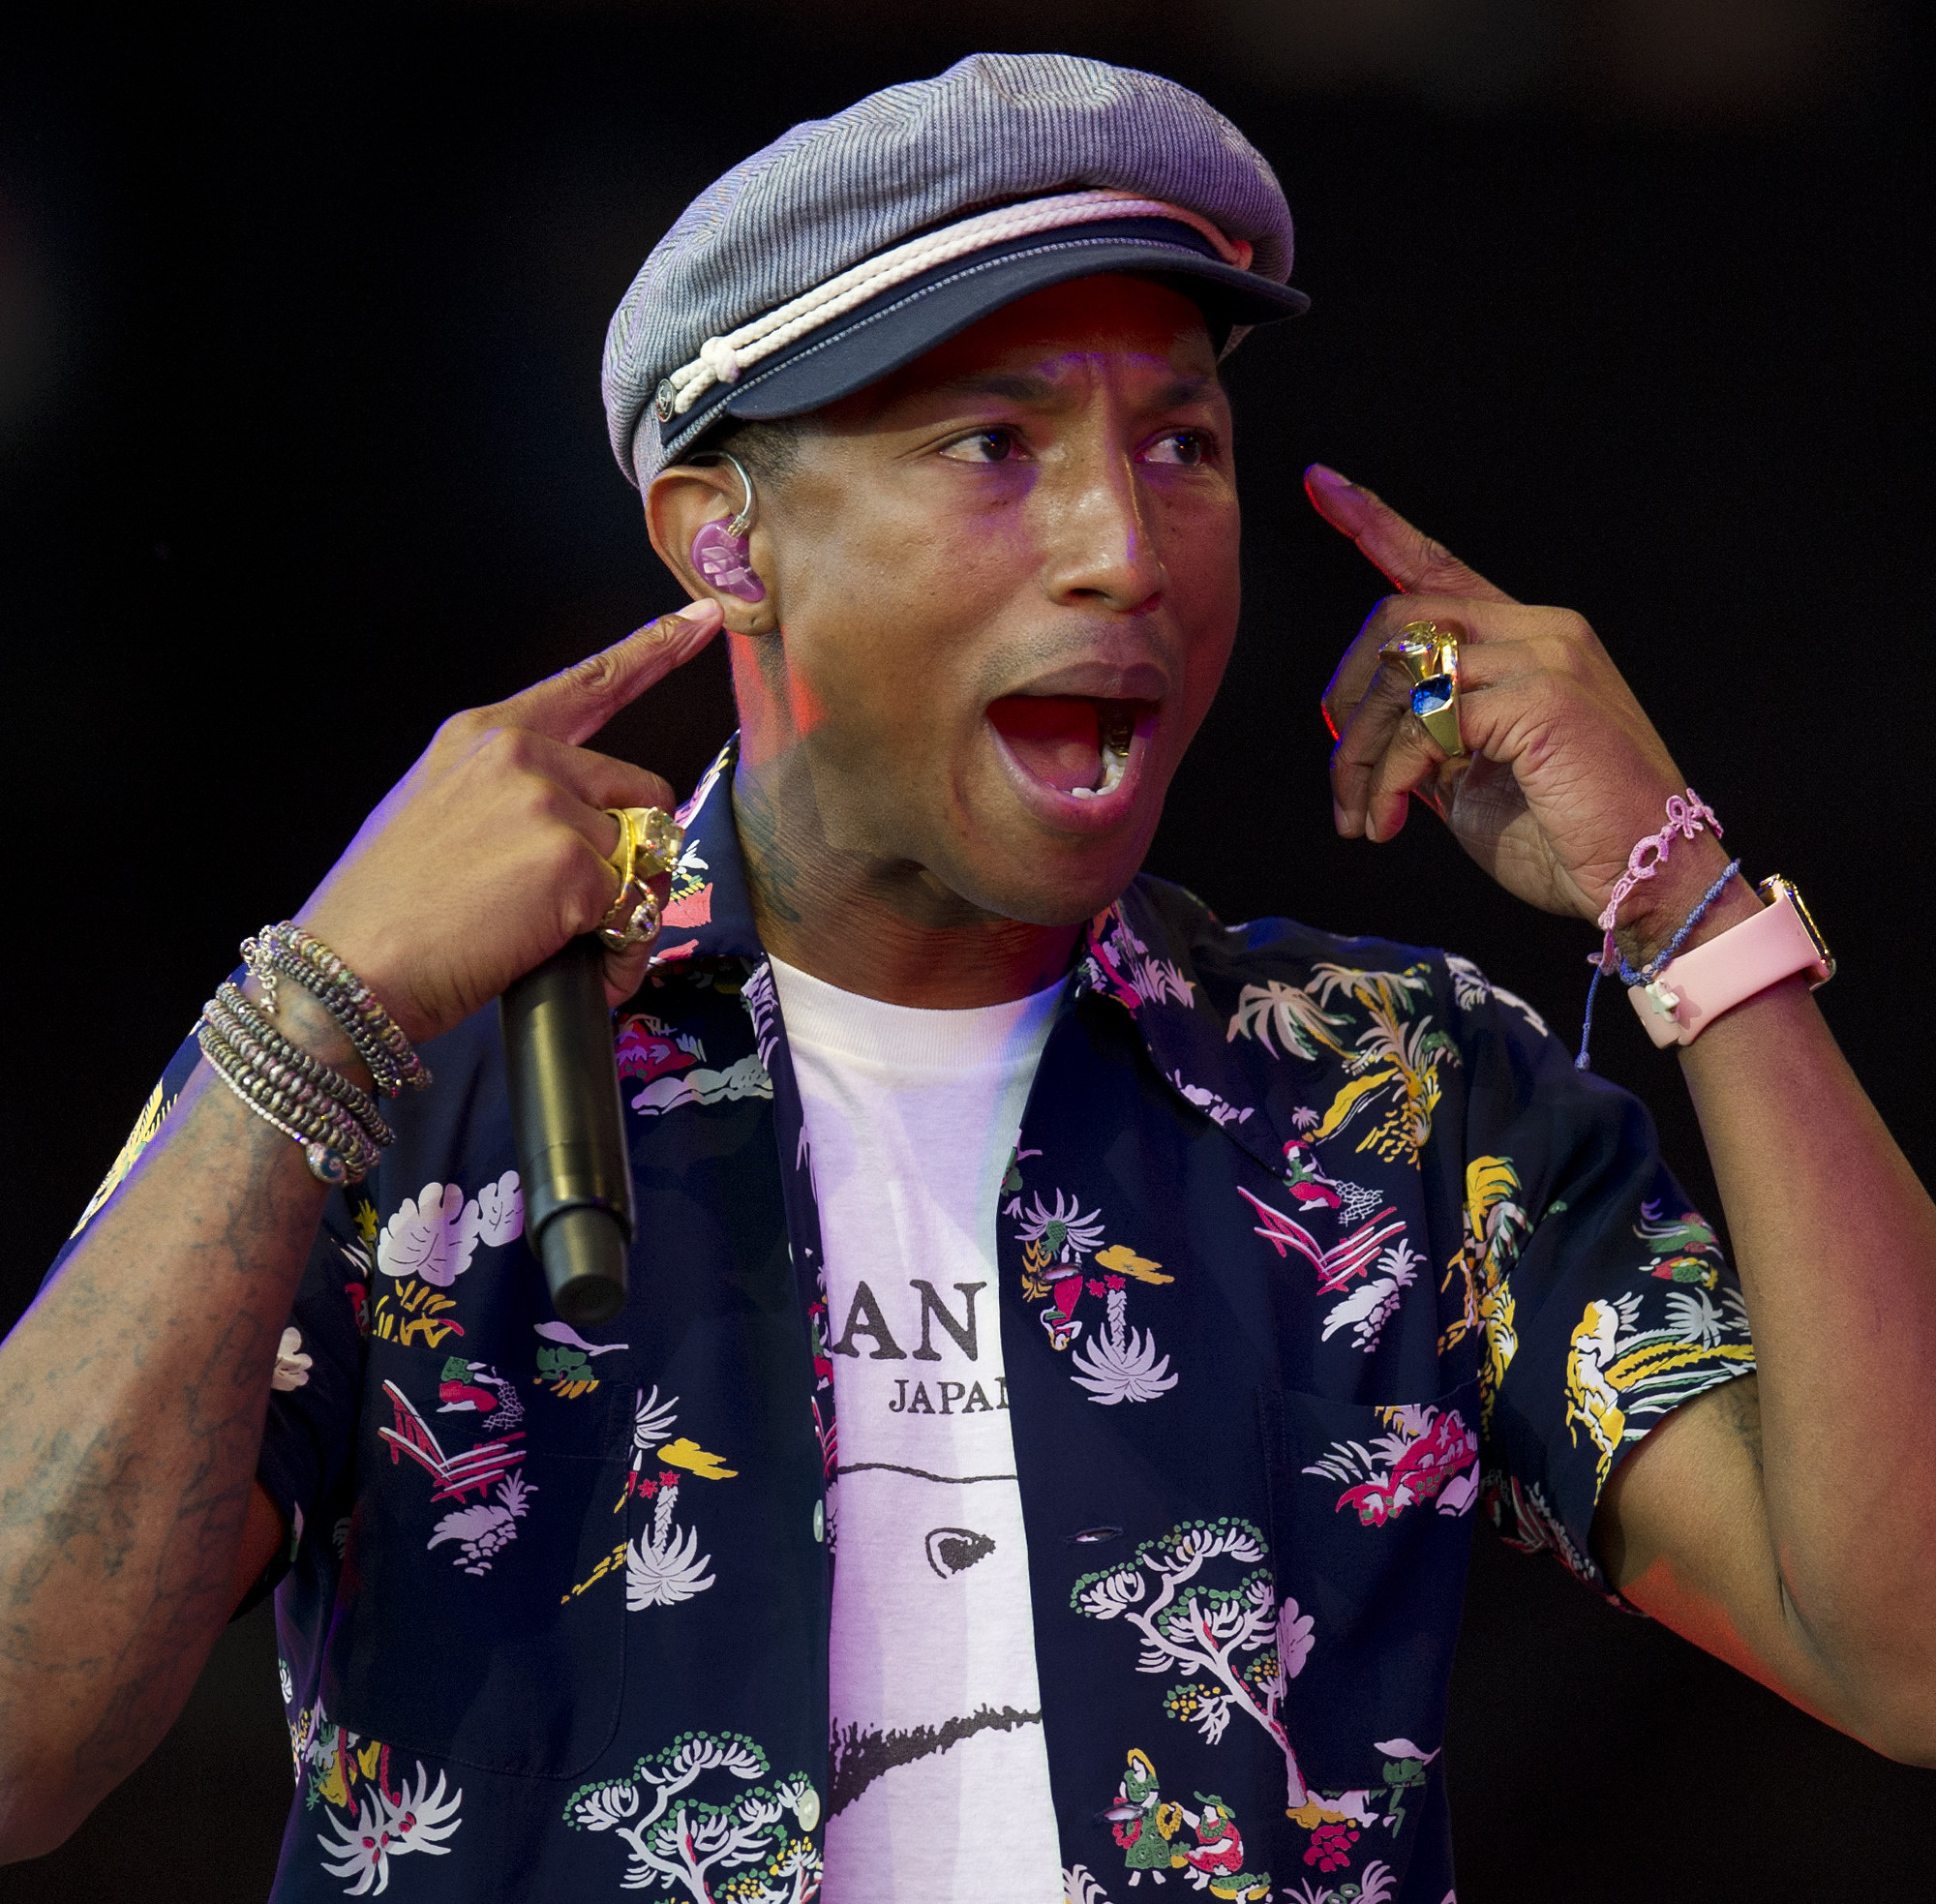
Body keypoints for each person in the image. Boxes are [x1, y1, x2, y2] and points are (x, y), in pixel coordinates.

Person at [1, 49, 1931, 1904]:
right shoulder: (415, 1074)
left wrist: (1688, 907)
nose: (1124, 548)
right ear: (725, 542)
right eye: (993, 445)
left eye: (1180, 444)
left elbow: (1907, 1657)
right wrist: (312, 1011)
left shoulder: (1393, 1101)